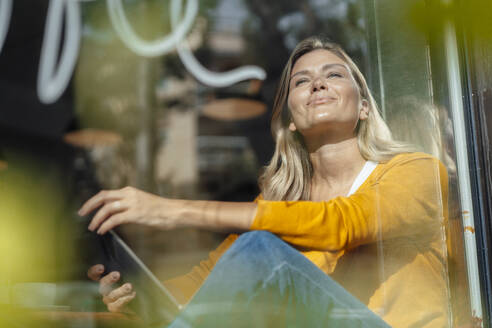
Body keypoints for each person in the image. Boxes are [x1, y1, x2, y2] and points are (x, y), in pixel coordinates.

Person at [80, 36, 451, 327]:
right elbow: (203, 285)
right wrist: (142, 297)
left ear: (364, 106)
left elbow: (342, 224)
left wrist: (174, 211)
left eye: (334, 74)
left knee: (259, 250)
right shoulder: (275, 206)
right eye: (301, 81)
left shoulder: (415, 170)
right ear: (291, 119)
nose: (317, 84)